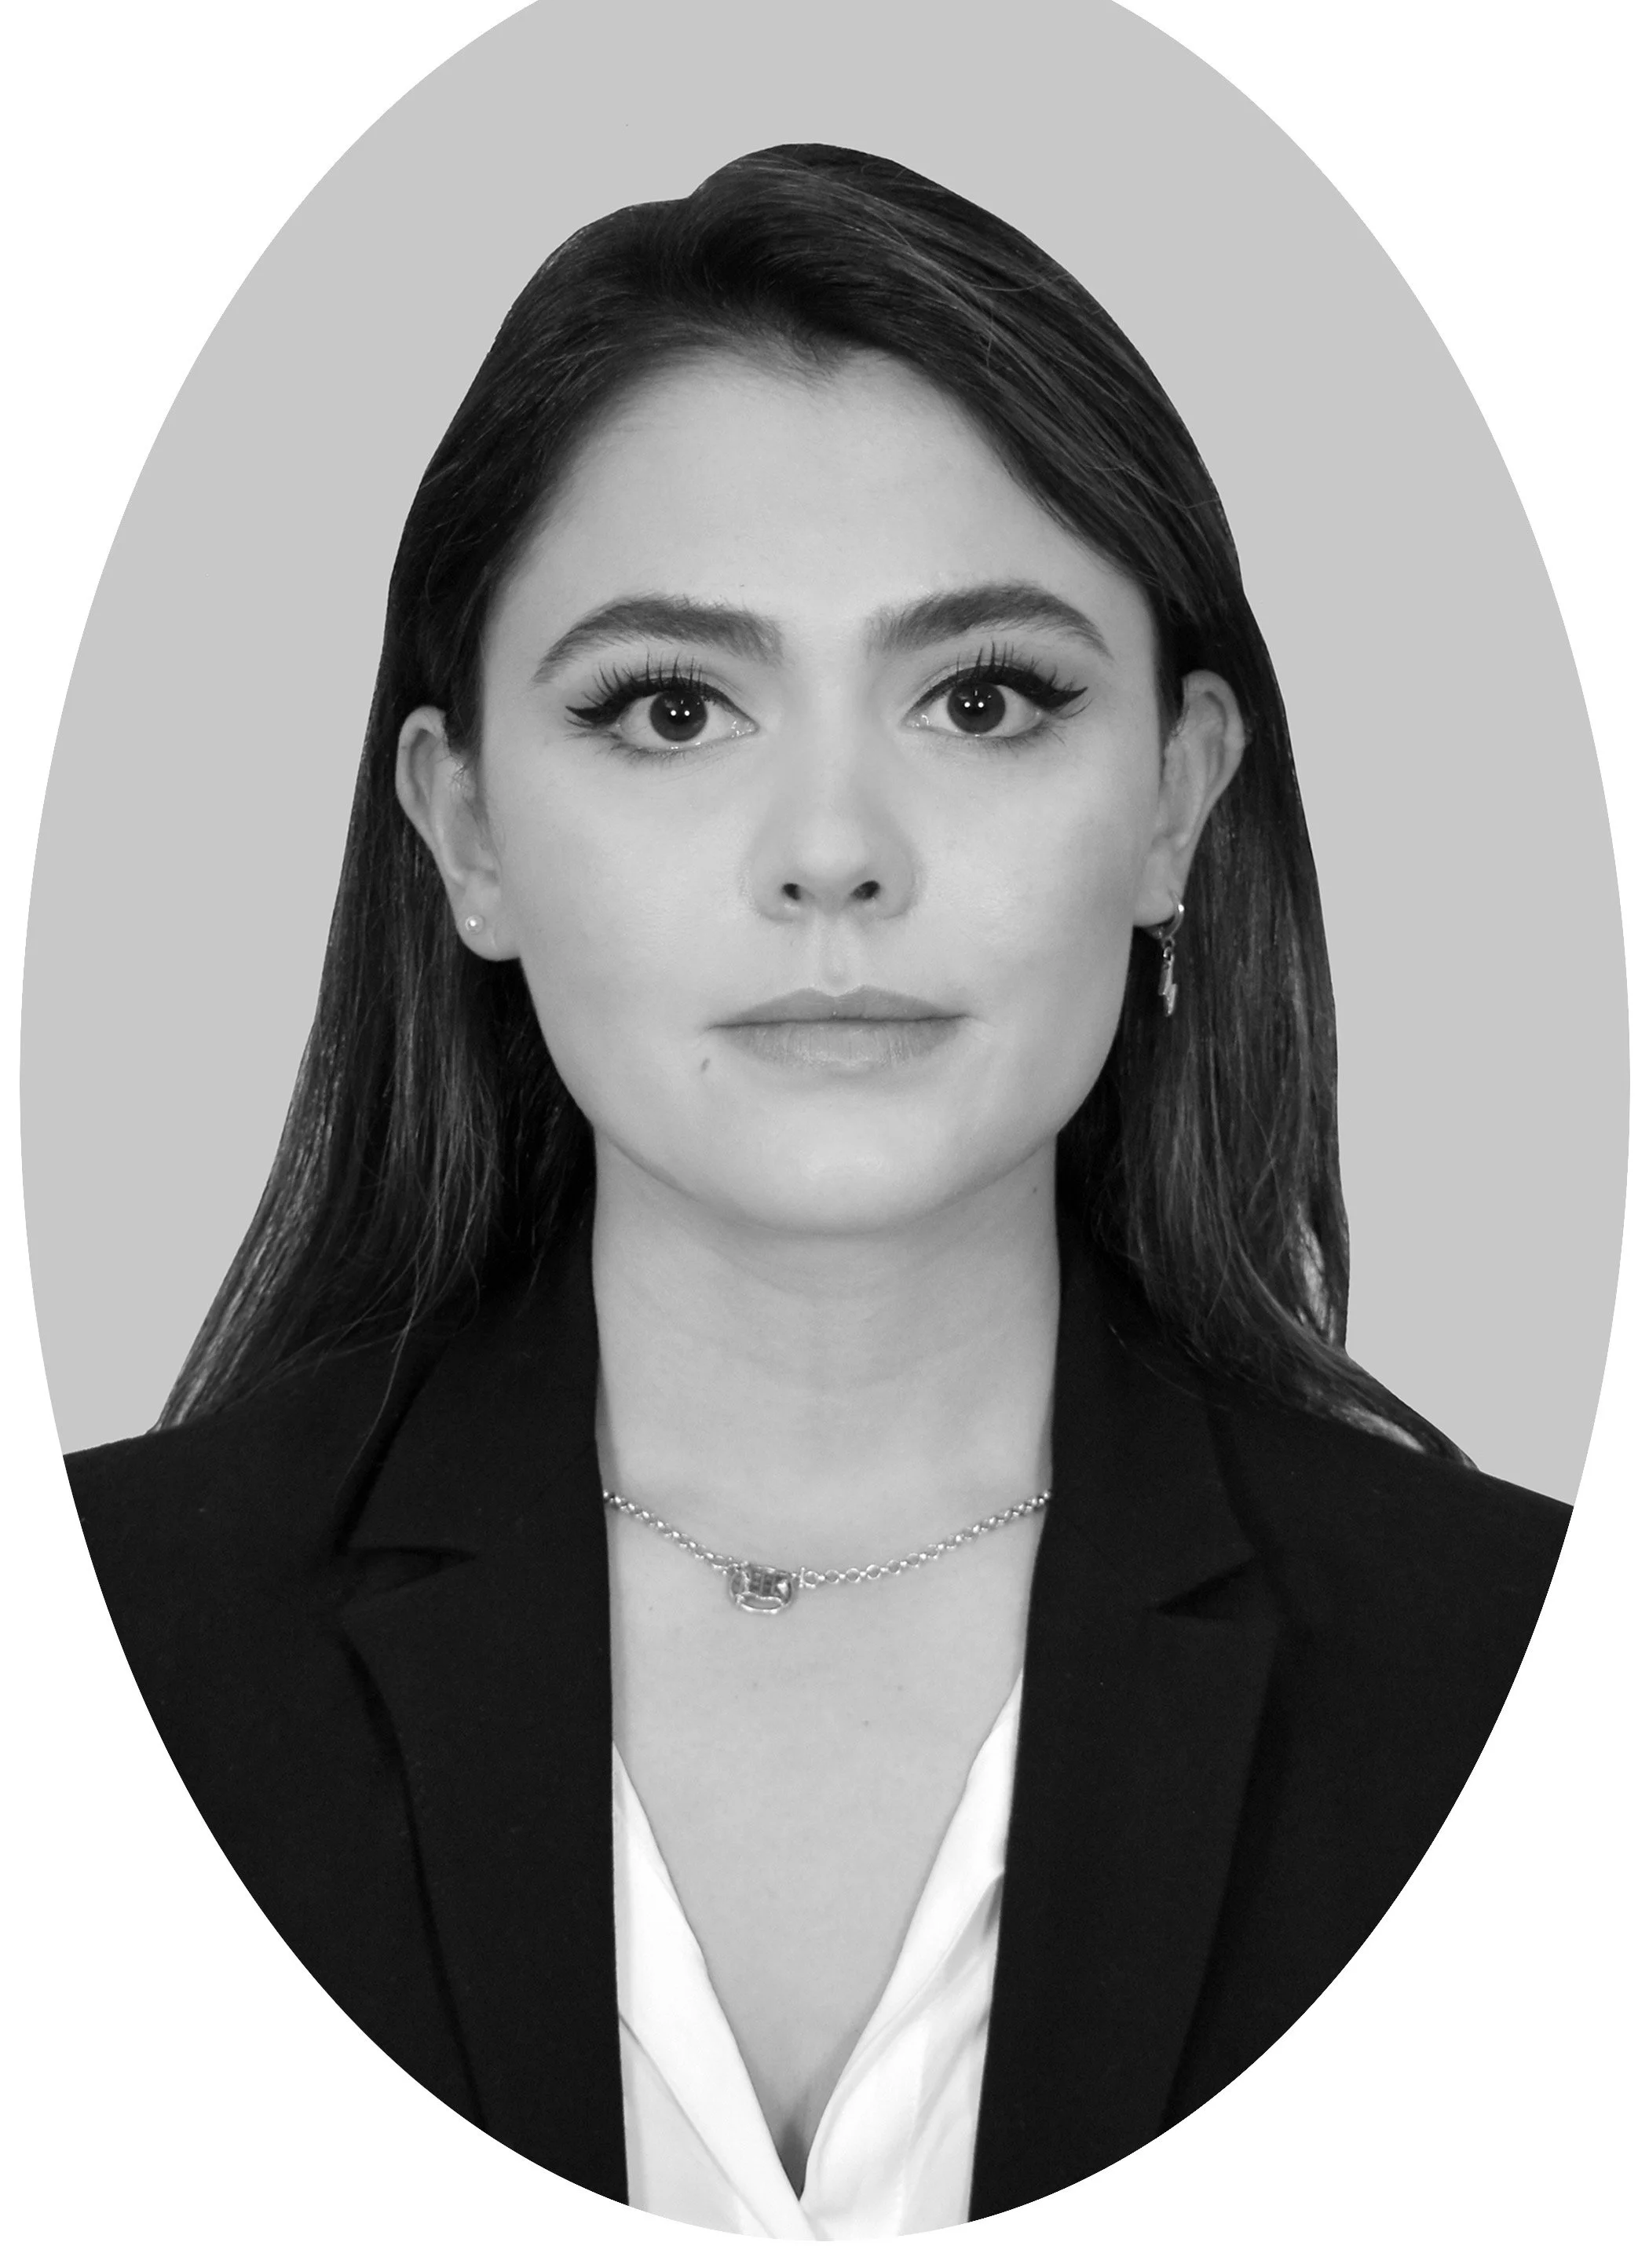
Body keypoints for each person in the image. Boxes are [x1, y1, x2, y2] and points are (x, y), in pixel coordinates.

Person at [67, 144, 1567, 2239]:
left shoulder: (1536, 1688)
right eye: (672, 708)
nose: (835, 851)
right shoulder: (91, 1657)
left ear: (1174, 800)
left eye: (983, 699)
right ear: (467, 829)